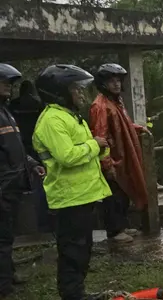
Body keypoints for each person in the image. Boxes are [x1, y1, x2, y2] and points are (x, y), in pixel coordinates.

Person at [32, 64, 112, 300]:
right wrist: (95, 145)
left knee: (82, 249)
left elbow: (86, 149)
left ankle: (78, 292)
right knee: (72, 251)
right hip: (69, 198)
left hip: (83, 194)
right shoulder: (52, 120)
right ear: (59, 92)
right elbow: (67, 156)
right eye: (75, 89)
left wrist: (100, 150)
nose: (80, 94)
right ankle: (72, 294)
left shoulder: (71, 117)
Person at [89, 63, 149, 244]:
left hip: (123, 157)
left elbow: (123, 124)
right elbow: (100, 135)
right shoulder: (100, 106)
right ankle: (114, 231)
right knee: (113, 195)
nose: (116, 84)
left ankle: (122, 225)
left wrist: (139, 128)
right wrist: (107, 163)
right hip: (113, 158)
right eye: (111, 81)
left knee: (123, 193)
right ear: (103, 83)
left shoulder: (115, 101)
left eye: (118, 81)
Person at [0, 64, 46, 297]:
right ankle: (3, 285)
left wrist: (32, 164)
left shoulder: (6, 112)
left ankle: (8, 275)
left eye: (10, 83)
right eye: (4, 82)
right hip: (3, 187)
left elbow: (16, 148)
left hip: (11, 187)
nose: (8, 86)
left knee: (7, 235)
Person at [8, 80, 51, 233]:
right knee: (42, 186)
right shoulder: (41, 105)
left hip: (20, 148)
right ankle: (45, 225)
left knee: (25, 190)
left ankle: (25, 227)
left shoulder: (12, 107)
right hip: (38, 150)